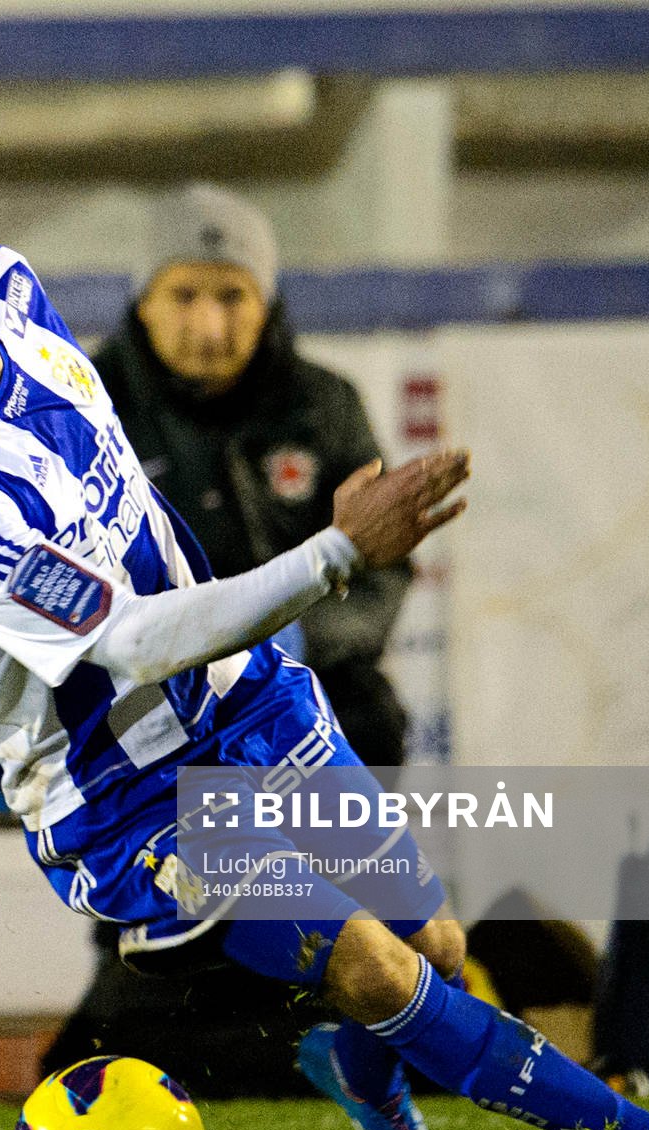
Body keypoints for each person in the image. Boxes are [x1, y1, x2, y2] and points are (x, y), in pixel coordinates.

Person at [0, 174, 649, 1130]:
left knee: (431, 940)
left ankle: (363, 1074)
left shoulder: (17, 294)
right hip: (130, 794)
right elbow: (133, 640)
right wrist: (335, 552)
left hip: (248, 703)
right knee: (373, 963)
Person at [95, 182, 411, 766]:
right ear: (144, 302)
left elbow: (382, 574)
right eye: (184, 295)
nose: (210, 325)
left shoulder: (327, 405)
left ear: (266, 304)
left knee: (369, 721)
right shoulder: (86, 407)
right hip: (150, 685)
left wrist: (291, 640)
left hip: (305, 676)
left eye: (233, 296)